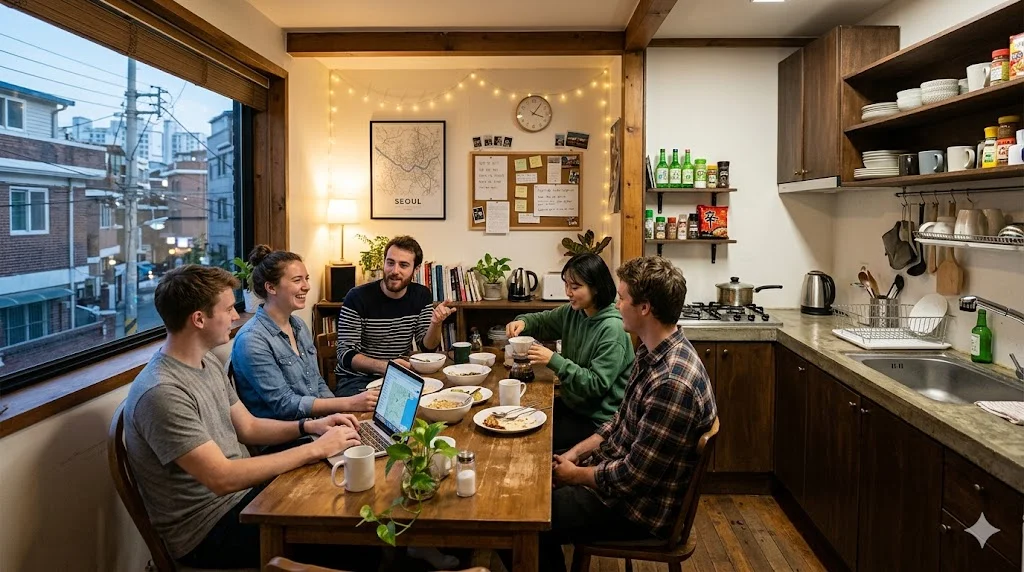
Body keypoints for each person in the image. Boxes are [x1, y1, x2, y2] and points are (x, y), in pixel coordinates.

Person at [123, 264, 370, 570]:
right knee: (352, 538)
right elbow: (221, 478)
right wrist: (315, 448)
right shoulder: (161, 392)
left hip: (242, 499)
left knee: (350, 503)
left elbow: (249, 427)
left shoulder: (206, 362)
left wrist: (310, 426)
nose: (236, 317)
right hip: (208, 531)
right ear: (199, 319)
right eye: (228, 309)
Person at [538, 256, 717, 572]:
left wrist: (575, 475)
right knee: (537, 483)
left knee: (528, 516)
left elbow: (632, 478)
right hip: (617, 482)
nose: (616, 304)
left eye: (622, 298)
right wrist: (575, 454)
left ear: (645, 308)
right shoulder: (652, 351)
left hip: (638, 510)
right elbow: (619, 421)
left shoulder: (672, 382)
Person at [231, 246, 379, 424]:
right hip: (289, 436)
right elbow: (285, 405)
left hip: (318, 423)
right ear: (271, 287)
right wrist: (349, 402)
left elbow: (317, 382)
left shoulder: (299, 326)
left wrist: (339, 415)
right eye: (297, 280)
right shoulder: (252, 340)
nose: (307, 286)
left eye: (306, 279)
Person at [505, 253, 634, 452]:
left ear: (596, 287)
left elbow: (596, 385)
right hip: (572, 407)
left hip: (596, 421)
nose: (568, 292)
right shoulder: (574, 312)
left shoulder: (612, 329)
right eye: (566, 285)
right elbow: (542, 321)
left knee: (531, 442)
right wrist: (522, 322)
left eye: (575, 287)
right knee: (516, 418)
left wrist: (553, 360)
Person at [334, 235, 455, 397]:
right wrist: (386, 367)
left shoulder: (421, 295)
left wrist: (436, 323)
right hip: (356, 380)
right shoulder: (357, 297)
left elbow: (427, 347)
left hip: (398, 376)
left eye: (403, 265)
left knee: (442, 400)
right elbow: (345, 355)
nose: (394, 271)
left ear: (416, 269)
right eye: (390, 263)